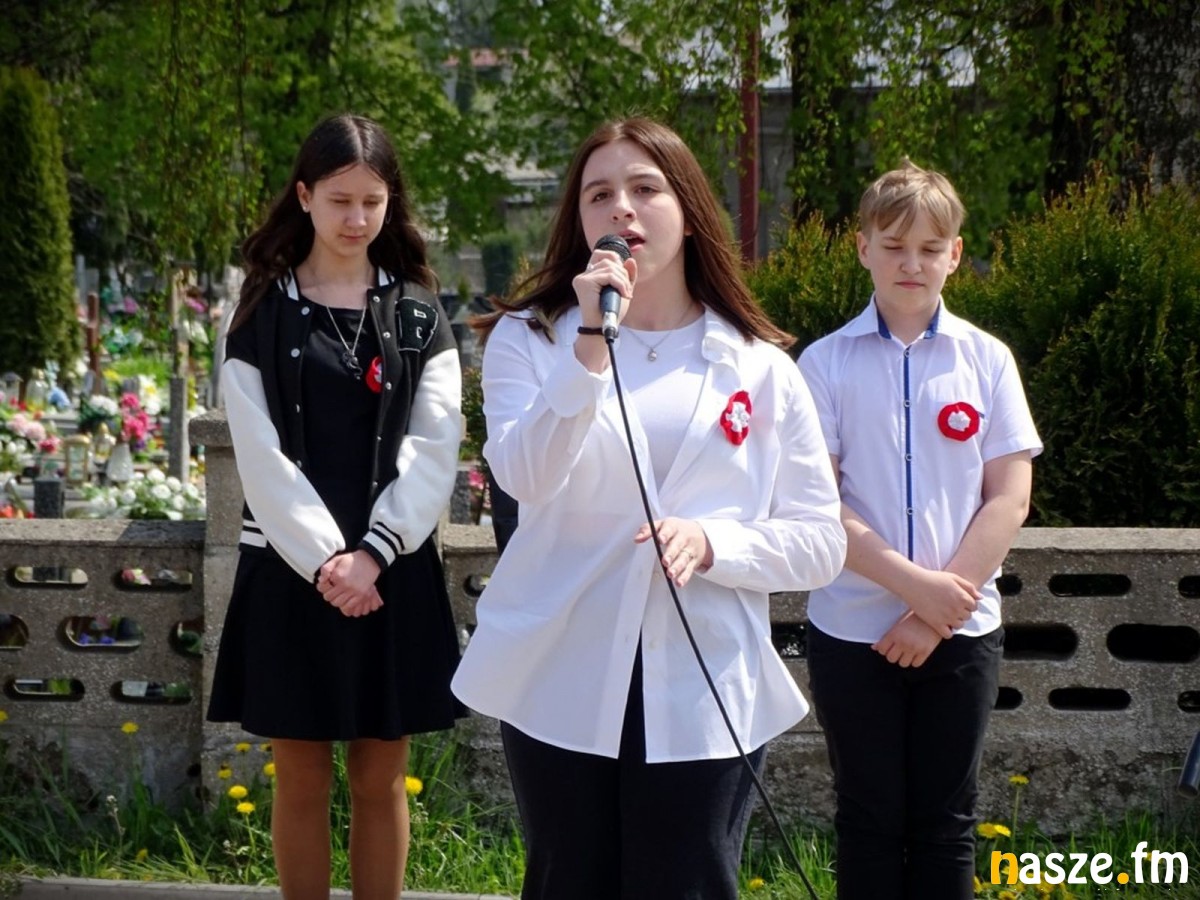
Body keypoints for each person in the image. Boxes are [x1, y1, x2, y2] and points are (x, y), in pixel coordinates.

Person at [451, 117, 847, 900]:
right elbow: (525, 476)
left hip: (704, 677)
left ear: (689, 211)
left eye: (645, 189)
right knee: (569, 880)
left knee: (689, 879)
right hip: (560, 669)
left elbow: (820, 542)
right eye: (599, 194)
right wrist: (588, 345)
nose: (622, 209)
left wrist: (714, 542)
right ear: (579, 220)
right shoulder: (531, 340)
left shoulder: (761, 366)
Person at [206, 113, 466, 900]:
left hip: (391, 569)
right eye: (340, 200)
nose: (357, 219)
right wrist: (329, 560)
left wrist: (374, 553)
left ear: (392, 204)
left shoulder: (419, 313)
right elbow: (260, 455)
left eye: (373, 202)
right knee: (301, 777)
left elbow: (436, 441)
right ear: (304, 197)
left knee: (381, 777)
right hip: (294, 570)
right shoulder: (257, 314)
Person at [797, 161, 1042, 899]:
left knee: (947, 822)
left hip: (962, 635)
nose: (913, 263)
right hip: (852, 631)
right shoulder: (823, 364)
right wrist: (915, 591)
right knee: (867, 819)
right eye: (894, 245)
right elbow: (819, 502)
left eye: (931, 248)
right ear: (862, 247)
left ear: (956, 255)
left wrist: (938, 612)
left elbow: (1009, 499)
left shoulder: (988, 360)